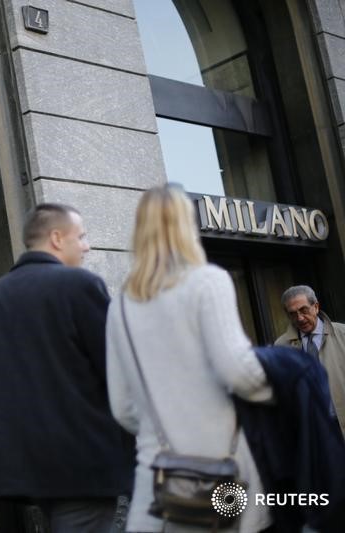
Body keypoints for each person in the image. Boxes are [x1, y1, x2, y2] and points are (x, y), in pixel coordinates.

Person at [105, 184, 273, 532]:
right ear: (186, 226)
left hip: (158, 478)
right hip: (221, 469)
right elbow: (239, 373)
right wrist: (279, 390)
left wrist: (163, 426)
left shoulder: (121, 304)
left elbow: (122, 407)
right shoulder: (208, 282)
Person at [0, 203, 135, 532]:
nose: (87, 245)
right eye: (81, 236)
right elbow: (119, 372)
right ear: (57, 238)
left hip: (25, 472)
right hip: (86, 467)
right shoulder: (80, 286)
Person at [274, 285, 345, 437]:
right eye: (293, 314)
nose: (299, 318)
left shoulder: (343, 334)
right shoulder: (281, 347)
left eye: (304, 310)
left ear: (316, 307)